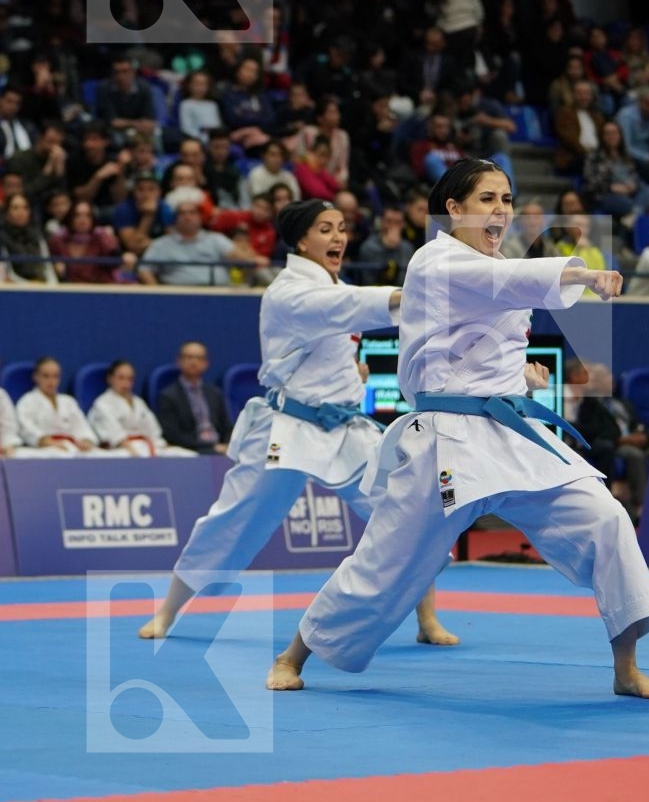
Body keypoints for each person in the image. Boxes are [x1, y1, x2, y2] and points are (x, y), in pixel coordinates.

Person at [265, 161, 649, 698]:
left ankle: (625, 668)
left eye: (507, 198)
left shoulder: (495, 261)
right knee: (385, 564)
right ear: (453, 210)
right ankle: (292, 655)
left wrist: (519, 374)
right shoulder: (436, 260)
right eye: (486, 199)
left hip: (511, 433)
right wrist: (585, 274)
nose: (501, 209)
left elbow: (478, 342)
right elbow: (501, 285)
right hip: (445, 438)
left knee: (607, 521)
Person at [141, 199, 458, 644]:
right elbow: (345, 306)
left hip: (347, 430)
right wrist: (417, 296)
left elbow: (331, 341)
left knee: (403, 510)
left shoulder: (332, 285)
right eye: (325, 229)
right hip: (289, 428)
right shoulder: (290, 291)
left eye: (342, 228)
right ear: (301, 240)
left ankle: (427, 620)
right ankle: (167, 612)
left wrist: (353, 372)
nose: (338, 237)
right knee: (233, 517)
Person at [573, 366, 649, 518]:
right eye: (606, 377)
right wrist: (621, 439)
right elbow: (597, 430)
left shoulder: (623, 404)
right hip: (616, 444)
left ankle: (644, 505)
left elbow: (638, 424)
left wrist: (642, 435)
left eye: (611, 377)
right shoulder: (591, 404)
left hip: (632, 441)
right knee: (634, 455)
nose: (612, 380)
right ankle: (641, 506)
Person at [87, 361, 184, 456]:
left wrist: (162, 445)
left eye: (130, 379)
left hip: (147, 446)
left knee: (186, 455)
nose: (126, 383)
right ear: (110, 379)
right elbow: (114, 436)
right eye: (121, 378)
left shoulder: (138, 402)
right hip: (122, 450)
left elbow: (153, 430)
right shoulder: (103, 404)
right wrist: (134, 453)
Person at [155, 342, 233, 455]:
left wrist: (228, 444)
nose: (194, 362)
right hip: (192, 450)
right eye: (189, 357)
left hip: (220, 448)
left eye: (199, 358)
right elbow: (172, 435)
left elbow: (227, 426)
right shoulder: (168, 396)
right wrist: (211, 446)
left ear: (206, 363)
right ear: (179, 361)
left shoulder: (214, 393)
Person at [15, 357, 100, 454]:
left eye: (55, 376)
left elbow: (81, 426)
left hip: (70, 446)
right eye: (46, 376)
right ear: (36, 377)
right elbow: (26, 427)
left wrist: (86, 440)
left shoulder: (68, 401)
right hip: (43, 448)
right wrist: (45, 441)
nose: (51, 381)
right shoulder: (27, 401)